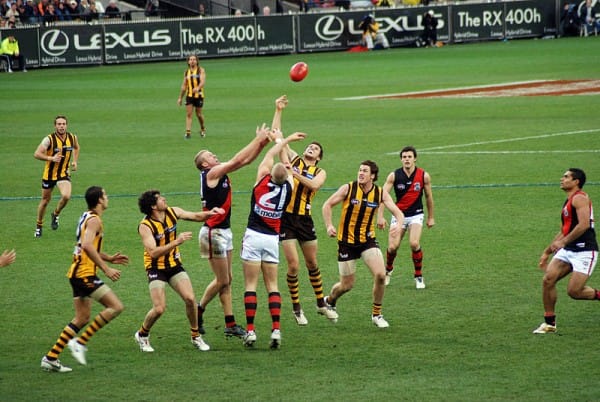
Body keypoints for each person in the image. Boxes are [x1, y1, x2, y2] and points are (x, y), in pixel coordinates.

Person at [193, 121, 273, 339]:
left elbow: (245, 161)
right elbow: (238, 159)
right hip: (213, 233)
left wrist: (262, 144)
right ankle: (198, 310)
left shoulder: (218, 173)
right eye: (210, 155)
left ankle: (230, 324)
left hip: (223, 231)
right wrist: (257, 139)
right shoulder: (211, 173)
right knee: (222, 280)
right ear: (204, 164)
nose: (214, 156)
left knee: (227, 278)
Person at [41, 186, 129, 373]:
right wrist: (106, 268)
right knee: (116, 307)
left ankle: (51, 358)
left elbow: (85, 246)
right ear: (99, 200)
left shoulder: (86, 216)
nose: (107, 197)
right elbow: (88, 246)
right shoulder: (95, 220)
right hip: (84, 274)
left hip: (76, 273)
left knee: (82, 318)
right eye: (105, 195)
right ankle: (80, 343)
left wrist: (109, 258)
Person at [134, 190, 224, 352]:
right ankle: (142, 334)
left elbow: (195, 216)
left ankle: (195, 336)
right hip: (156, 268)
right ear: (153, 206)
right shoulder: (145, 226)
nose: (164, 198)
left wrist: (210, 213)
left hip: (173, 265)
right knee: (159, 308)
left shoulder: (172, 212)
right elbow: (153, 252)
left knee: (190, 299)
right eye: (160, 198)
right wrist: (177, 242)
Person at [274, 96, 337, 326]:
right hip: (286, 218)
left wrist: (294, 173)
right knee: (293, 265)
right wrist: (278, 110)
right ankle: (297, 308)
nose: (311, 148)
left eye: (316, 149)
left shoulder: (320, 171)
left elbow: (314, 186)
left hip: (305, 220)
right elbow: (278, 137)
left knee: (312, 264)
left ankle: (321, 303)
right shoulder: (295, 159)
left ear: (318, 157)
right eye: (310, 146)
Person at [241, 128, 306, 348]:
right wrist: (286, 140)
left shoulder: (261, 179)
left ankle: (251, 331)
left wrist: (282, 140)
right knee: (272, 285)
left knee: (251, 284)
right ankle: (276, 329)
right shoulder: (289, 187)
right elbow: (286, 165)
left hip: (253, 235)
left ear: (269, 174)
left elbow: (269, 155)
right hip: (271, 239)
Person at [322, 160, 404, 328]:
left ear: (372, 176)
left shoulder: (379, 193)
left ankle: (377, 314)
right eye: (360, 170)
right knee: (347, 285)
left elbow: (398, 212)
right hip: (346, 243)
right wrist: (329, 225)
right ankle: (329, 300)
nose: (360, 173)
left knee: (380, 275)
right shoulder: (348, 188)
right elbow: (327, 205)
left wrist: (398, 225)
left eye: (365, 171)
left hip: (367, 240)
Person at [533, 168, 599, 334]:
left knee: (574, 291)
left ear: (576, 181)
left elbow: (584, 225)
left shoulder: (580, 198)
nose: (562, 179)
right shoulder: (569, 201)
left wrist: (563, 242)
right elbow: (565, 230)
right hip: (568, 249)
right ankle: (549, 323)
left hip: (584, 250)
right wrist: (547, 251)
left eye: (566, 177)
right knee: (548, 280)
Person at [381, 146, 435, 289]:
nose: (407, 159)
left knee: (414, 243)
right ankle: (388, 270)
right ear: (401, 159)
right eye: (404, 157)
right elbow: (382, 196)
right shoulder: (394, 176)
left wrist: (431, 217)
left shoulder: (423, 176)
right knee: (392, 247)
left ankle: (418, 276)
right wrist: (380, 217)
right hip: (398, 215)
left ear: (415, 159)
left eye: (409, 157)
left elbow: (429, 197)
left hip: (416, 214)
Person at [33, 115, 80, 238]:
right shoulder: (49, 139)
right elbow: (37, 154)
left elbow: (76, 148)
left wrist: (75, 161)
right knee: (45, 201)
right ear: (55, 126)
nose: (61, 126)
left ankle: (55, 214)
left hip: (63, 174)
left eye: (63, 124)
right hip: (49, 175)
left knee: (66, 196)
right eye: (59, 124)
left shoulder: (72, 137)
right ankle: (39, 225)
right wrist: (51, 158)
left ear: (66, 125)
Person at [177, 54, 206, 139]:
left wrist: (198, 88)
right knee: (189, 114)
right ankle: (188, 132)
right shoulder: (186, 72)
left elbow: (202, 82)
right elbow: (184, 86)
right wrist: (180, 98)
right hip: (189, 96)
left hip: (199, 95)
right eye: (190, 59)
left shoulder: (201, 70)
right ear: (188, 62)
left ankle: (202, 128)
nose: (192, 61)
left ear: (197, 61)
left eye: (194, 59)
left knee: (199, 114)